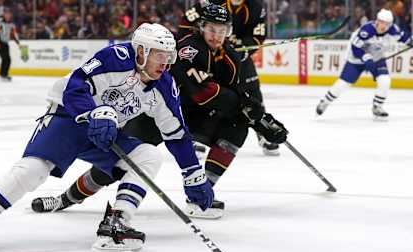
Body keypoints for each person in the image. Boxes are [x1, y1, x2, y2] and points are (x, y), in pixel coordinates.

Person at [0, 23, 213, 252]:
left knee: (148, 156)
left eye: (168, 56)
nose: (165, 63)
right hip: (68, 117)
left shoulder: (165, 86)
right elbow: (75, 86)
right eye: (159, 56)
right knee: (33, 171)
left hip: (104, 130)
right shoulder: (114, 57)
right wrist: (94, 112)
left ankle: (115, 226)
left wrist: (192, 173)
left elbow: (176, 133)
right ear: (141, 51)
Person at [30, 4, 288, 220]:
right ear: (201, 28)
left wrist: (259, 118)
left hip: (192, 118)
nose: (216, 36)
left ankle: (201, 192)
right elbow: (202, 92)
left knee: (237, 128)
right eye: (211, 29)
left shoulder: (231, 58)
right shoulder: (189, 47)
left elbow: (243, 96)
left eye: (222, 31)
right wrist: (239, 105)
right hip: (156, 114)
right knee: (118, 166)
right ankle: (65, 198)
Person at [179, 0, 280, 156]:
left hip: (235, 57)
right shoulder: (210, 2)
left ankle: (263, 133)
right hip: (205, 53)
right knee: (204, 91)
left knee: (250, 94)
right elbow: (186, 21)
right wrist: (194, 43)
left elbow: (257, 35)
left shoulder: (255, 7)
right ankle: (197, 135)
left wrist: (241, 50)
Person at [316, 9, 412, 119]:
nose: (383, 26)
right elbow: (355, 47)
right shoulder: (367, 30)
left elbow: (404, 38)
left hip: (376, 56)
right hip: (356, 58)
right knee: (343, 84)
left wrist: (410, 41)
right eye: (381, 22)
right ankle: (325, 101)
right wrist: (366, 58)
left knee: (385, 80)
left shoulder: (393, 30)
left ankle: (377, 107)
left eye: (387, 24)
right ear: (377, 21)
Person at [0, 9, 20, 81]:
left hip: (6, 43)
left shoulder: (12, 24)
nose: (8, 15)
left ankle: (3, 74)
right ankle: (3, 75)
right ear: (4, 14)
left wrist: (18, 42)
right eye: (6, 14)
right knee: (5, 58)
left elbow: (14, 33)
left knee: (7, 59)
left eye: (9, 14)